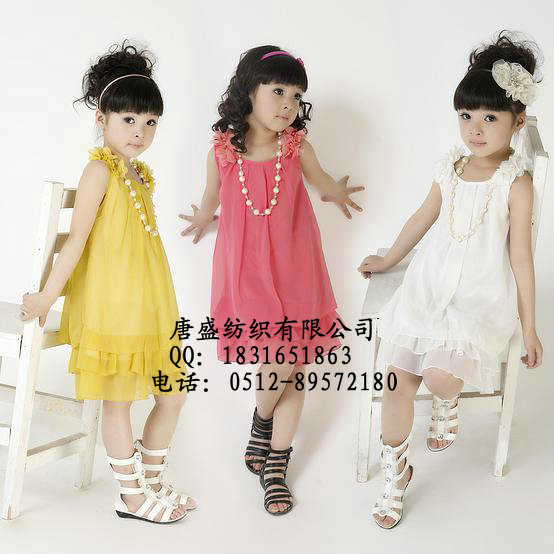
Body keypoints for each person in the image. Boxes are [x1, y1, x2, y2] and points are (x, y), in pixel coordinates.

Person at [357, 31, 544, 529]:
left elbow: (521, 258)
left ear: (517, 121)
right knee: (397, 380)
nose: (475, 129)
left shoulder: (515, 182)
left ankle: (446, 404)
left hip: (479, 293)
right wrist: (389, 258)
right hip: (431, 281)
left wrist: (529, 328)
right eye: (466, 116)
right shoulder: (450, 168)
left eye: (490, 118)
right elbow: (422, 218)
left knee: (441, 377)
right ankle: (396, 473)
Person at [180, 45, 364, 515]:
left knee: (294, 362)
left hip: (298, 268)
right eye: (278, 91)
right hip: (246, 272)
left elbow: (322, 182)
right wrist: (202, 217)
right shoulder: (222, 152)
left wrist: (337, 191)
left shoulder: (296, 148)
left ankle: (276, 463)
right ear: (249, 90)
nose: (288, 104)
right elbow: (210, 197)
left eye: (296, 96)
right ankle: (263, 419)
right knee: (276, 358)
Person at [20, 41, 196, 524]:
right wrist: (47, 296)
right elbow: (76, 240)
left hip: (150, 302)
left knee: (173, 393)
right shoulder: (99, 170)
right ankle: (131, 496)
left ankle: (151, 483)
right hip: (115, 304)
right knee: (118, 400)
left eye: (150, 122)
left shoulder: (138, 173)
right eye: (129, 120)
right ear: (103, 118)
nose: (140, 132)